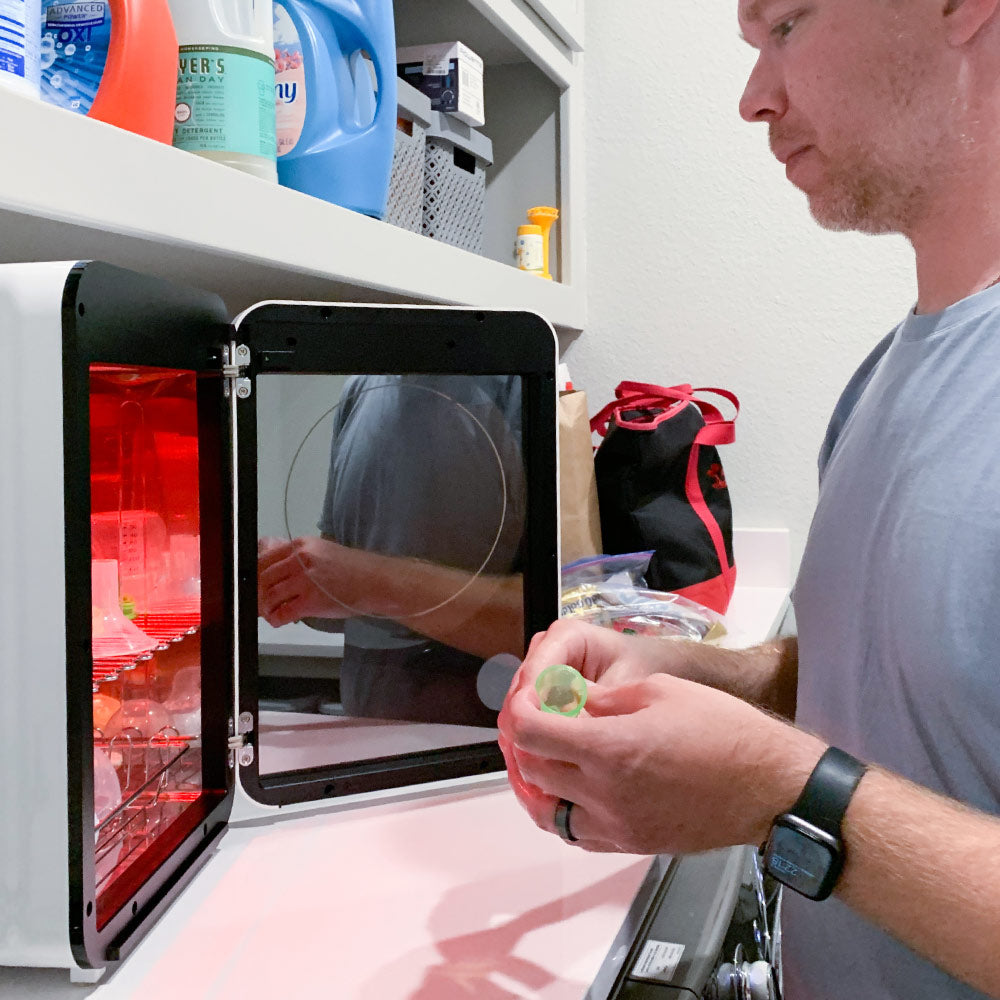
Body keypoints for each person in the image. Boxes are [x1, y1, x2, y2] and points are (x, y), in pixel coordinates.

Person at [499, 1, 1000, 997]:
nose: (752, 98)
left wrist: (785, 796)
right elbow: (911, 687)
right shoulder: (888, 375)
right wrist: (686, 669)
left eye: (785, 24)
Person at [258, 373, 527, 726]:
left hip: (486, 737)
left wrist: (364, 582)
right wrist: (289, 581)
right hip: (369, 714)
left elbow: (552, 621)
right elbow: (346, 571)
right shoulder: (362, 386)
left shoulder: (516, 376)